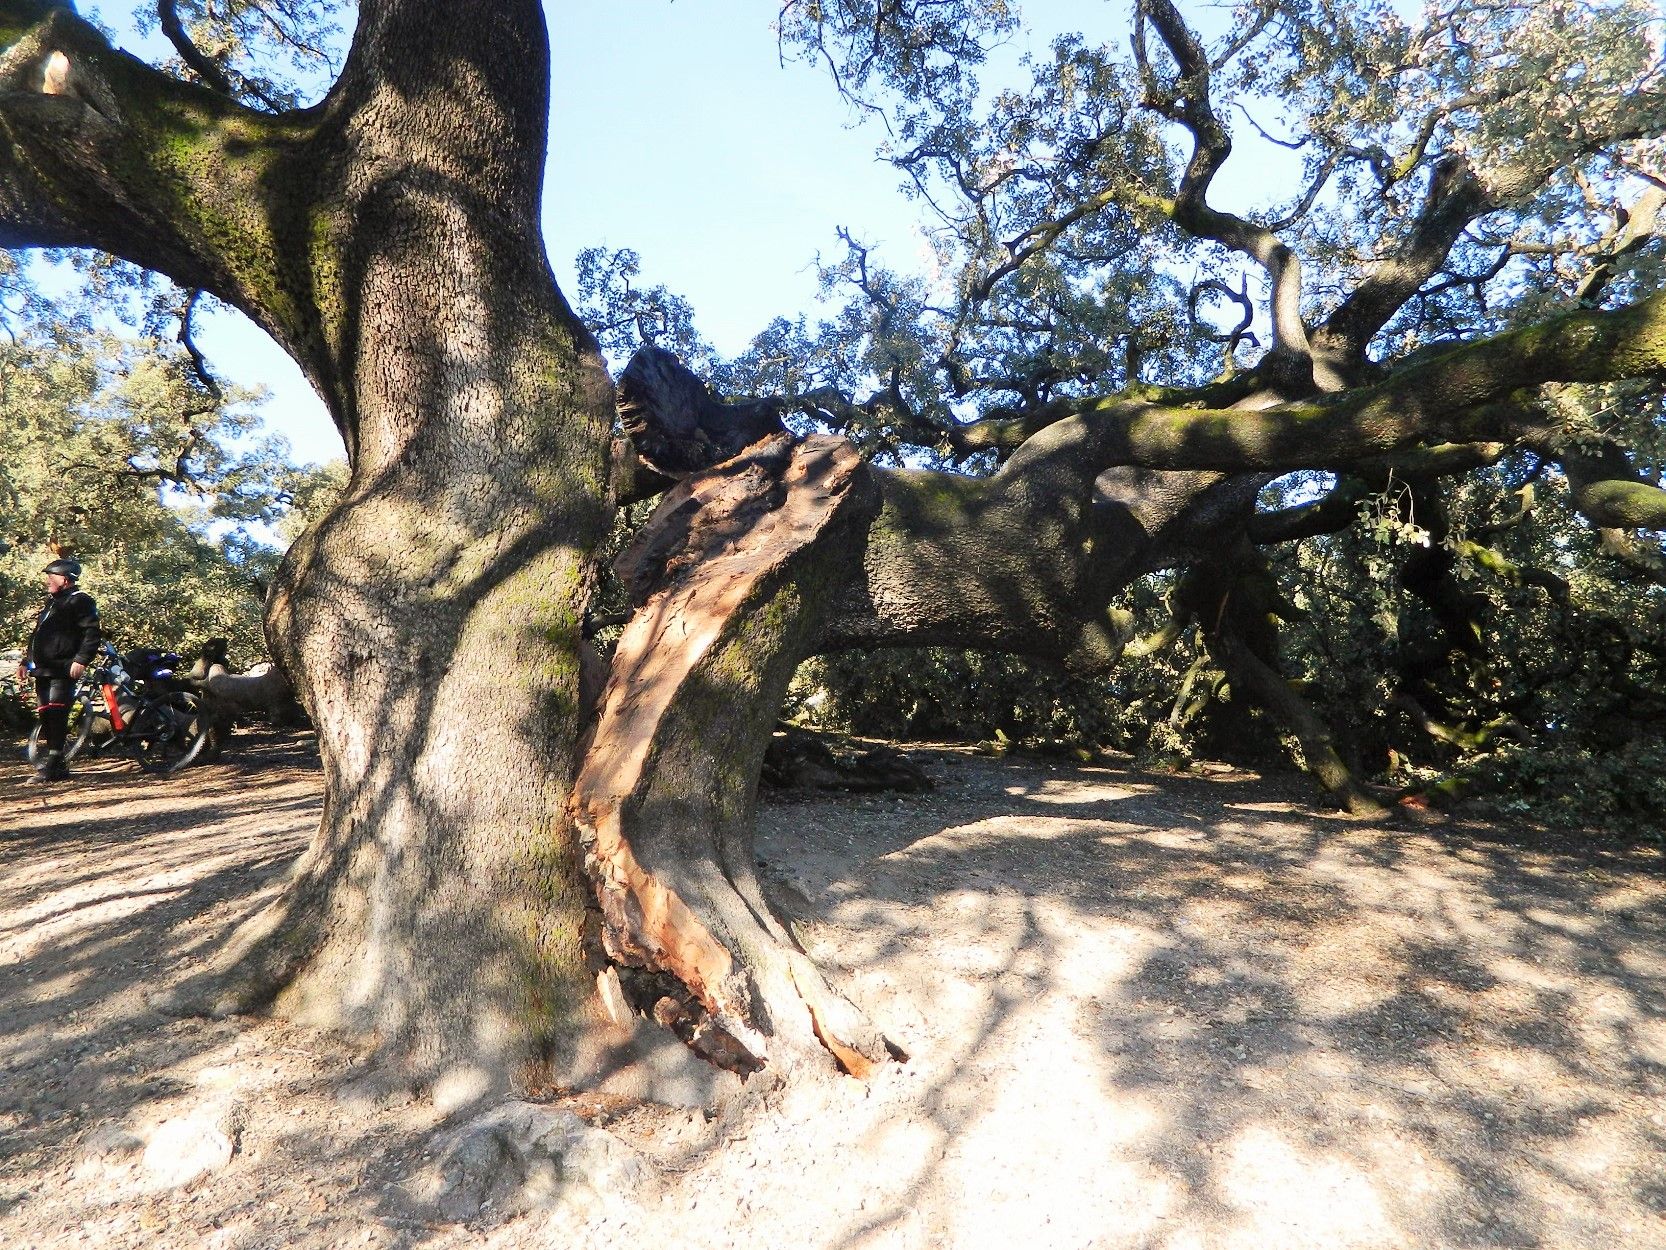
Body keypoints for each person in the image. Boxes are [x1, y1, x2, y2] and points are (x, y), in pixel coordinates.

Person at [16, 557, 101, 783]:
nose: (47, 582)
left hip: (64, 667)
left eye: (50, 577)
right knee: (45, 713)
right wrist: (26, 661)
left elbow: (92, 633)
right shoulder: (51, 603)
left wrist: (81, 660)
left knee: (57, 712)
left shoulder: (80, 600)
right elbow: (38, 636)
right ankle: (58, 764)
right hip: (43, 669)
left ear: (65, 579)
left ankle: (54, 764)